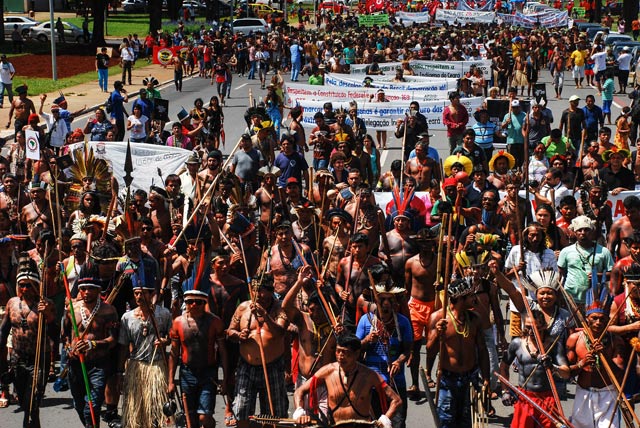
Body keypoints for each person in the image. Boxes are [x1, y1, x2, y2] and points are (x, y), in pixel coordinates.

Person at [293, 333, 401, 428]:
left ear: (356, 354)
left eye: (345, 352)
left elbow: (396, 400)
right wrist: (299, 411)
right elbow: (299, 391)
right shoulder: (327, 372)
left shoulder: (369, 376)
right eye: (338, 351)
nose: (340, 356)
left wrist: (385, 419)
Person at [426, 276, 490, 428]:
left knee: (467, 422)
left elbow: (482, 350)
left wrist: (486, 378)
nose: (474, 298)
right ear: (461, 298)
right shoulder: (438, 318)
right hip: (448, 379)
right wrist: (437, 333)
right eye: (471, 296)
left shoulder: (475, 319)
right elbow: (429, 351)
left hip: (470, 378)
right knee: (446, 422)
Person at [227, 274, 289, 428]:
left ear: (270, 291)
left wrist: (265, 315)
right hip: (246, 366)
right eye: (256, 292)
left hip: (272, 367)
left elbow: (280, 332)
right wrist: (238, 335)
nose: (260, 297)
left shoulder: (279, 308)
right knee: (241, 409)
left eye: (263, 293)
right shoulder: (243, 308)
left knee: (273, 414)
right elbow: (229, 331)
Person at [0, 256, 55, 428]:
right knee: (25, 403)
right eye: (21, 285)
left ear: (36, 285)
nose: (25, 288)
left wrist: (48, 315)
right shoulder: (12, 303)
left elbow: (55, 335)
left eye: (28, 285)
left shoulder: (46, 304)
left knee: (32, 403)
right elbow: (3, 331)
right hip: (17, 360)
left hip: (39, 359)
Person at [356, 267, 412, 428]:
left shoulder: (402, 322)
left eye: (390, 301)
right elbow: (355, 350)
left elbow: (407, 350)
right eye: (382, 301)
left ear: (395, 303)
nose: (386, 306)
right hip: (372, 384)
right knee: (374, 423)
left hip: (396, 383)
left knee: (398, 423)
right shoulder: (365, 321)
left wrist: (399, 362)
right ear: (375, 302)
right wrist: (367, 340)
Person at [566, 283, 626, 428]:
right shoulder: (575, 338)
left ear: (608, 320)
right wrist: (582, 364)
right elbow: (566, 373)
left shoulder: (615, 340)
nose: (598, 322)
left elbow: (619, 374)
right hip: (583, 393)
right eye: (594, 318)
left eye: (602, 319)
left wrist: (604, 355)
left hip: (608, 395)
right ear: (587, 318)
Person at [498, 309, 570, 428]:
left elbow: (566, 373)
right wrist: (504, 391)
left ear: (544, 326)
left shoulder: (554, 345)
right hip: (525, 398)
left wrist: (553, 367)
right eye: (528, 327)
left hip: (547, 399)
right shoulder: (517, 343)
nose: (531, 331)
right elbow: (504, 367)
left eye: (535, 328)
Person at [118, 274, 172, 428]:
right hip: (136, 366)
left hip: (156, 366)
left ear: (151, 294)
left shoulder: (163, 314)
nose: (139, 296)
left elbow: (172, 338)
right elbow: (123, 345)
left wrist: (165, 341)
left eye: (142, 293)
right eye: (136, 293)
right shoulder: (127, 318)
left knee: (156, 410)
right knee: (136, 411)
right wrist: (119, 372)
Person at [63, 276, 118, 428]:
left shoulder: (108, 311)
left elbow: (113, 340)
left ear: (99, 290)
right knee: (79, 406)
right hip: (76, 365)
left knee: (92, 408)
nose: (86, 292)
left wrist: (92, 344)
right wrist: (69, 349)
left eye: (91, 289)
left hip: (98, 365)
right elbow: (65, 335)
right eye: (83, 289)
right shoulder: (71, 310)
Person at [168, 289, 228, 428]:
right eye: (190, 301)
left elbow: (223, 352)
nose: (194, 305)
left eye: (198, 302)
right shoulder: (178, 322)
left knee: (205, 417)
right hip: (187, 373)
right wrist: (170, 381)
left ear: (204, 303)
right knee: (190, 418)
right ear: (185, 303)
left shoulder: (214, 322)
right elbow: (174, 352)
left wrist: (225, 380)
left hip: (208, 373)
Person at [559, 216, 614, 309]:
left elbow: (613, 274)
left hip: (596, 299)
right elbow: (561, 274)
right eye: (579, 230)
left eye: (586, 230)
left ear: (592, 231)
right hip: (571, 299)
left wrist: (598, 276)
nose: (583, 233)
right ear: (574, 232)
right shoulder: (565, 251)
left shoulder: (604, 252)